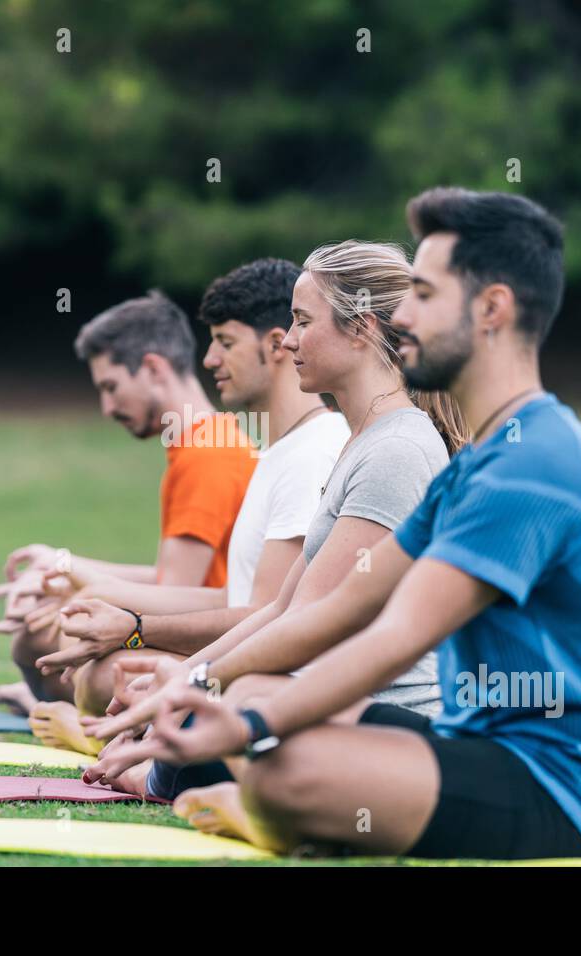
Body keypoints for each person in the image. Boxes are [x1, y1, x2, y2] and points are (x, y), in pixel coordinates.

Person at [89, 188, 581, 862]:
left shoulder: (532, 461)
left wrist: (245, 723)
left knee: (285, 766)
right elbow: (333, 609)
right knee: (261, 700)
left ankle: (266, 807)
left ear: (493, 309)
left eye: (423, 292)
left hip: (565, 789)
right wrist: (200, 685)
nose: (402, 313)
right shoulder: (475, 463)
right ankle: (269, 797)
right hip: (479, 746)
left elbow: (394, 635)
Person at [76, 239, 469, 796]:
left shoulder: (397, 449)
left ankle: (158, 775)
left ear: (360, 329)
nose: (289, 339)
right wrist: (182, 682)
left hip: (390, 720)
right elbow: (283, 606)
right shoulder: (364, 441)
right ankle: (169, 764)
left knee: (240, 701)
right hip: (325, 700)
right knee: (220, 699)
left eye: (304, 321)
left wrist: (192, 685)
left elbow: (308, 622)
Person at [18, 258, 351, 752]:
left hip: (277, 680)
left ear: (275, 345)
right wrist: (102, 595)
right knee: (96, 668)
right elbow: (231, 596)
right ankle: (127, 731)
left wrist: (132, 630)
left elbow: (267, 615)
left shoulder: (308, 452)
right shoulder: (274, 449)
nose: (210, 359)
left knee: (103, 675)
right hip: (242, 660)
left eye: (226, 343)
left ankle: (117, 738)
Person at [0, 290, 257, 712]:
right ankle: (57, 696)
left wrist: (77, 583)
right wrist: (60, 566)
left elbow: (176, 594)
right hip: (192, 624)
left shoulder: (210, 453)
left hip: (210, 643)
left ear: (152, 368)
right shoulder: (199, 445)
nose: (107, 407)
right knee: (46, 624)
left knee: (62, 640)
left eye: (111, 387)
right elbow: (175, 578)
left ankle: (63, 701)